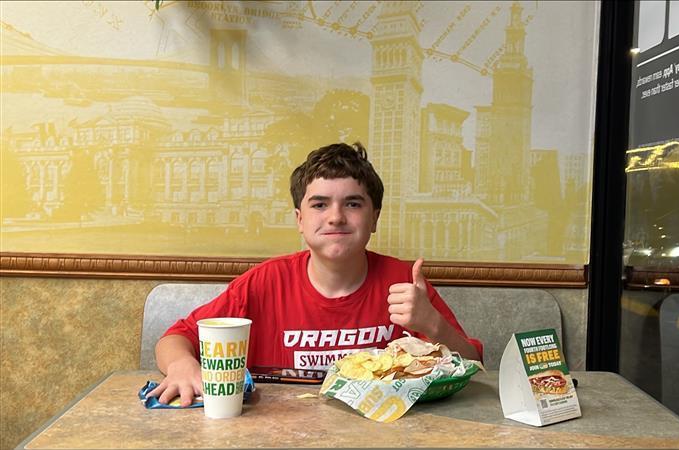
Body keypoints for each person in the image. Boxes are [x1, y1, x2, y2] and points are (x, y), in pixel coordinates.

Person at [148, 142, 483, 407]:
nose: (336, 217)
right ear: (300, 219)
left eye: (353, 204)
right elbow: (175, 338)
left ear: (375, 218)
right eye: (320, 205)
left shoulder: (405, 282)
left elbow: (474, 366)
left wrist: (433, 324)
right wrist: (182, 366)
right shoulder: (264, 283)